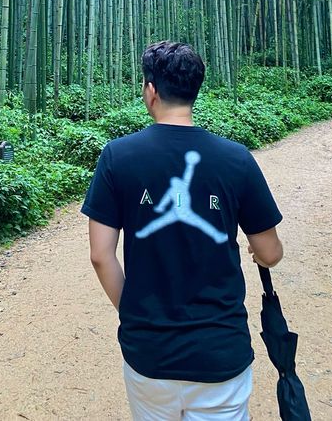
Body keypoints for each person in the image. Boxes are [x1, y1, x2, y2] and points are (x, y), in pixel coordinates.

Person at [81, 41, 283, 421]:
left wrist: (135, 313)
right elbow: (270, 253)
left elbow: (99, 255)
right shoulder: (235, 158)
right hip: (220, 352)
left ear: (151, 90)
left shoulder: (117, 156)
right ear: (195, 89)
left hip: (149, 354)